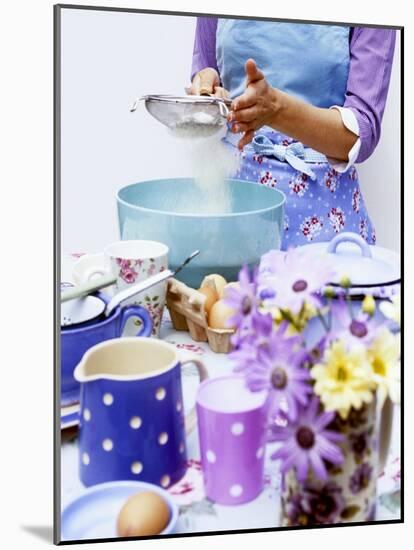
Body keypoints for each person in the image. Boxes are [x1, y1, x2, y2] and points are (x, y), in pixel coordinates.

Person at [190, 18, 396, 247]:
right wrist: (206, 90)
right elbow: (207, 69)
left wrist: (278, 111)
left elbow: (362, 134)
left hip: (323, 217)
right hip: (231, 207)